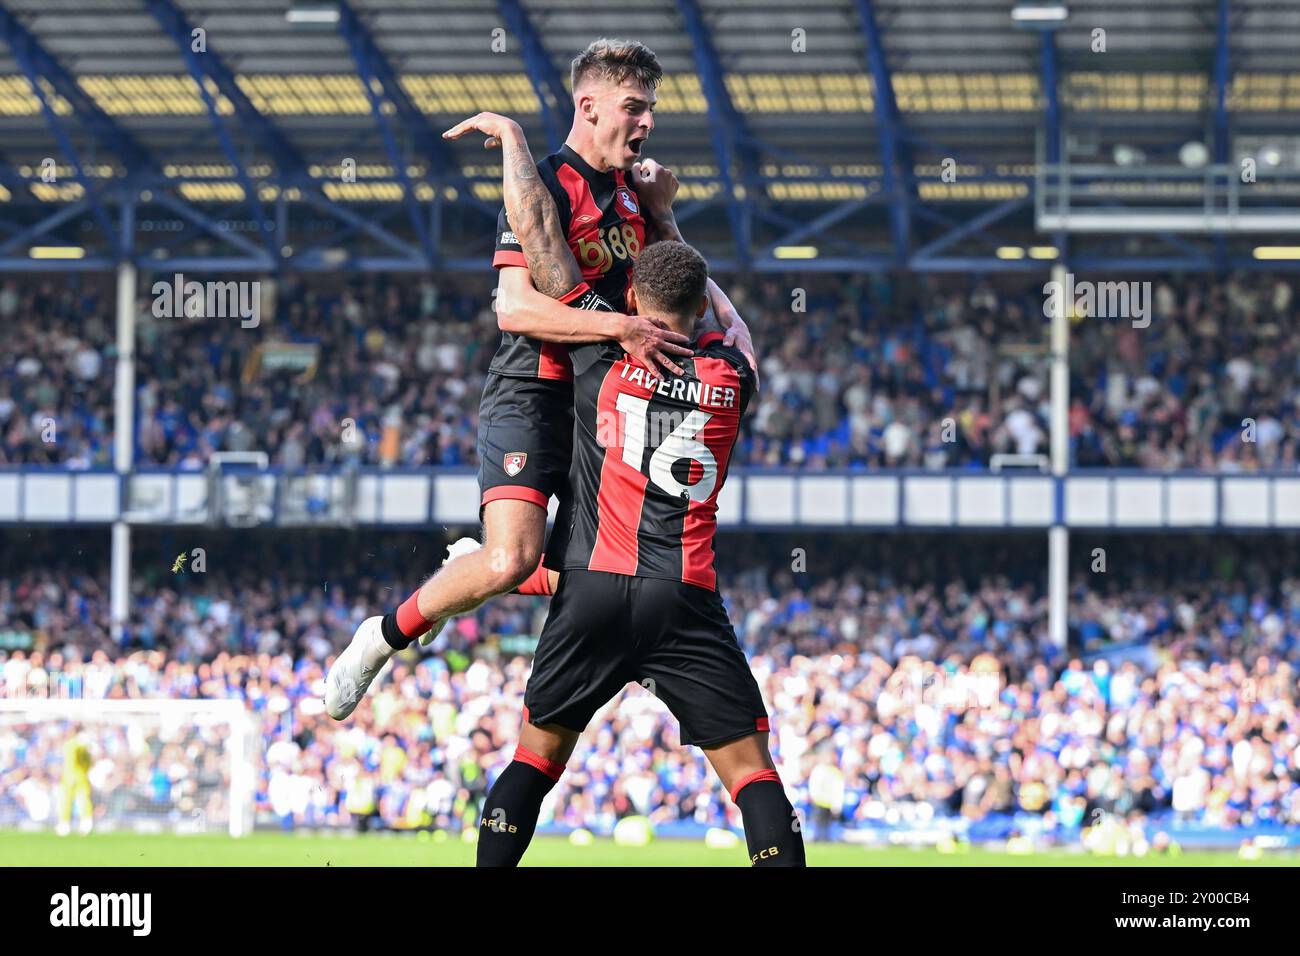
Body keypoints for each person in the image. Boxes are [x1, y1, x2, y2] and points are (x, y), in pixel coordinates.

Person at [325, 38, 753, 721]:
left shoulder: (634, 196)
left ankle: (481, 558)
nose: (645, 125)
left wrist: (723, 311)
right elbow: (516, 307)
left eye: (650, 111)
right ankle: (379, 638)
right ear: (588, 105)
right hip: (533, 389)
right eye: (633, 108)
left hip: (606, 399)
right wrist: (620, 329)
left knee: (611, 566)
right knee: (508, 564)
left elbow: (681, 285)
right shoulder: (544, 183)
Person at [431, 116, 802, 867]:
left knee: (533, 766)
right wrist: (664, 218)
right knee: (754, 779)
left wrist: (514, 146)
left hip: (594, 587)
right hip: (684, 593)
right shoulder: (735, 375)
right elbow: (730, 322)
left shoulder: (606, 358)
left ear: (634, 293)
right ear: (701, 308)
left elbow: (551, 267)